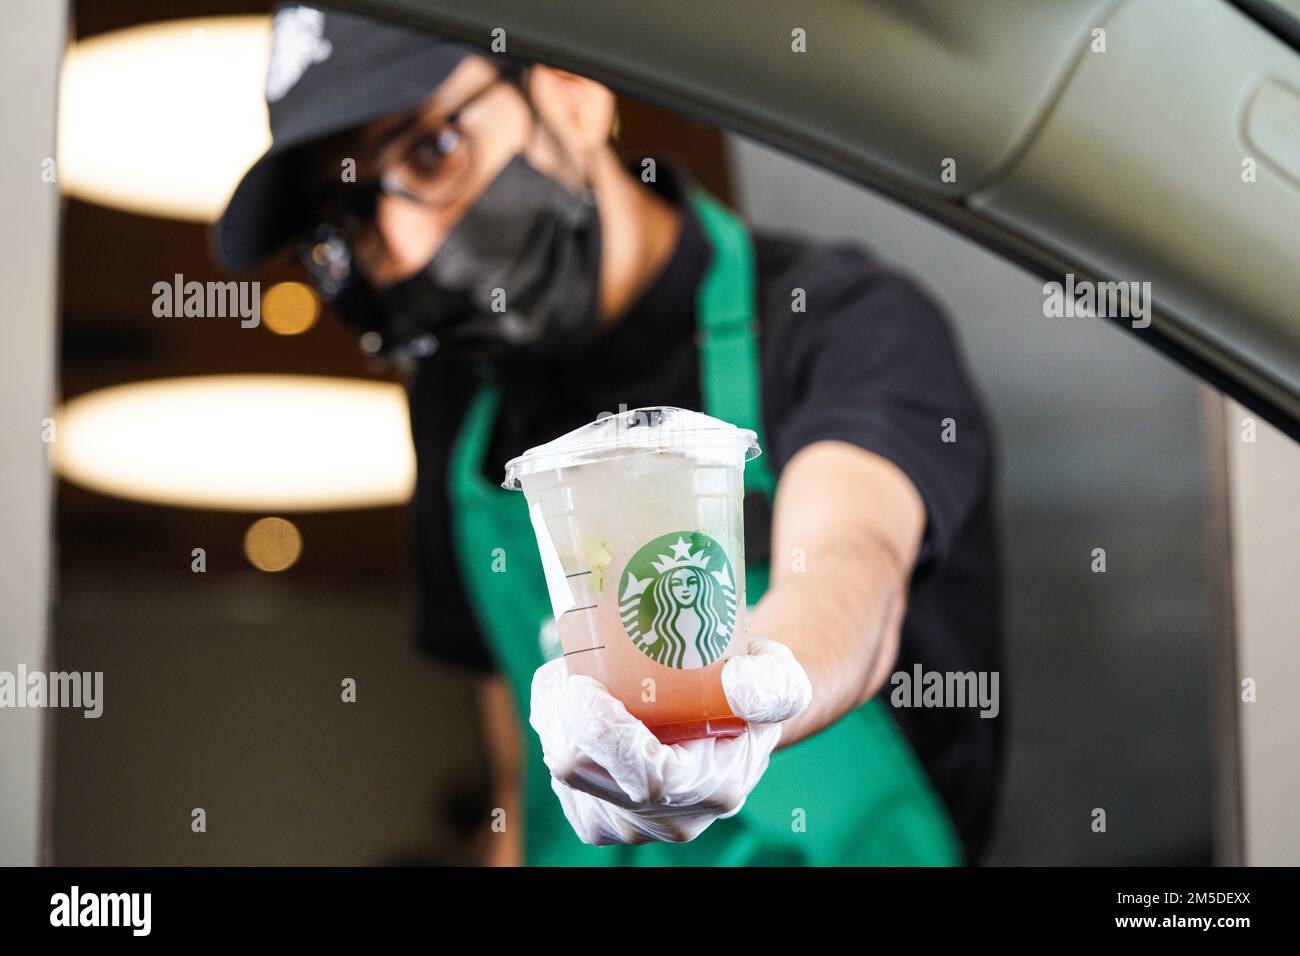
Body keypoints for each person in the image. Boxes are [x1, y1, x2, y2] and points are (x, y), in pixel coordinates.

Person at [216, 5, 1002, 866]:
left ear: (572, 94)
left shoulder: (838, 320)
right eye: (355, 214)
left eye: (431, 152)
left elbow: (856, 565)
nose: (398, 248)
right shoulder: (455, 413)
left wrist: (741, 708)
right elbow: (516, 776)